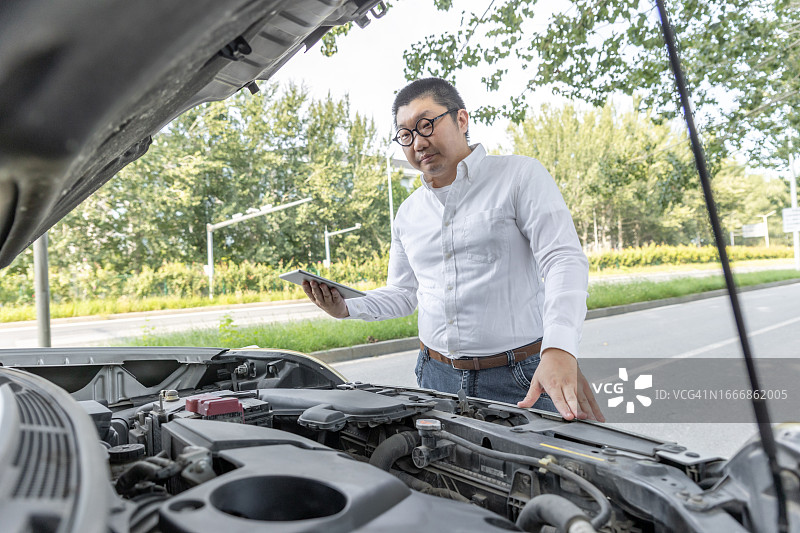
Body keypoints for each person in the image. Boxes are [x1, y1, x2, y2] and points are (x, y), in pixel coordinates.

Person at [303, 77, 603, 422]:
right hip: (435, 377)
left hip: (520, 377)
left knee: (546, 472)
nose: (417, 142)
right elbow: (404, 292)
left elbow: (563, 259)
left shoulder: (519, 176)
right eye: (405, 134)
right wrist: (346, 307)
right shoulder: (408, 213)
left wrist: (560, 348)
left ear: (461, 120)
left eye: (426, 124)